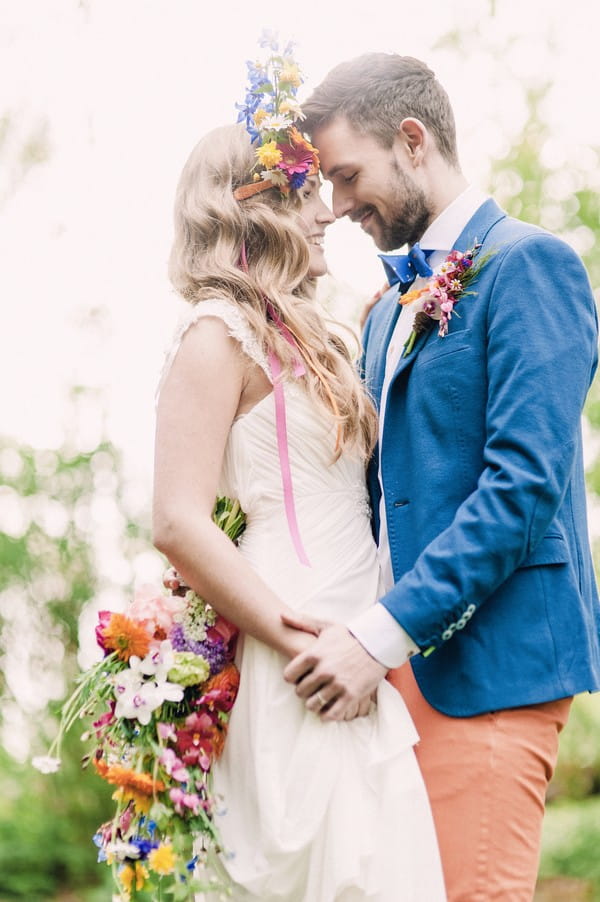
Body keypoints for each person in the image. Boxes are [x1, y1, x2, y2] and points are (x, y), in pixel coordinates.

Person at [283, 53, 600, 900]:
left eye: (349, 176)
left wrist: (379, 636)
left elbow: (523, 491)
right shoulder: (385, 311)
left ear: (412, 140)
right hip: (389, 679)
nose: (339, 206)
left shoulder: (531, 266)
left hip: (488, 673)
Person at [152, 43, 445, 902]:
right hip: (302, 644)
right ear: (263, 209)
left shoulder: (322, 330)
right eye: (309, 194)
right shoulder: (215, 336)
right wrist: (302, 638)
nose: (329, 214)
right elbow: (177, 519)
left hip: (362, 632)